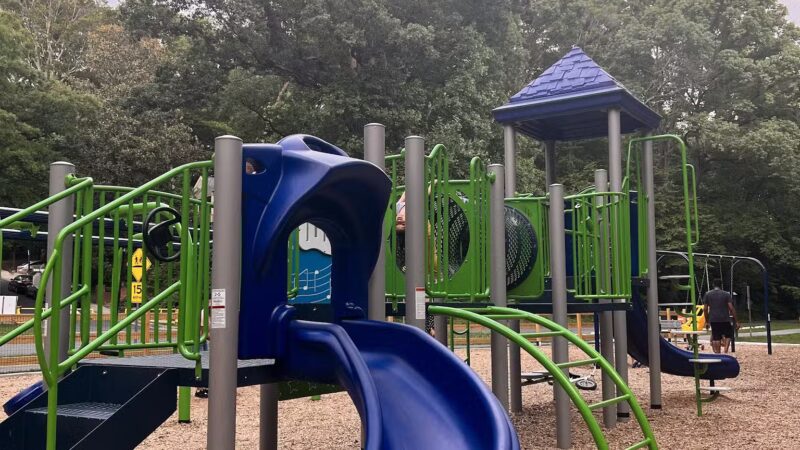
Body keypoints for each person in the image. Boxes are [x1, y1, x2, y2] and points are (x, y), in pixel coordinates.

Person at [703, 279, 738, 353]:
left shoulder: (708, 294)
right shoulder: (726, 294)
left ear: (713, 285)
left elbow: (705, 309)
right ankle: (725, 350)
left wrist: (707, 321)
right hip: (725, 318)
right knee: (728, 335)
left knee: (716, 337)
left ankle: (718, 353)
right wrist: (736, 320)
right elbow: (731, 307)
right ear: (721, 285)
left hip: (713, 318)